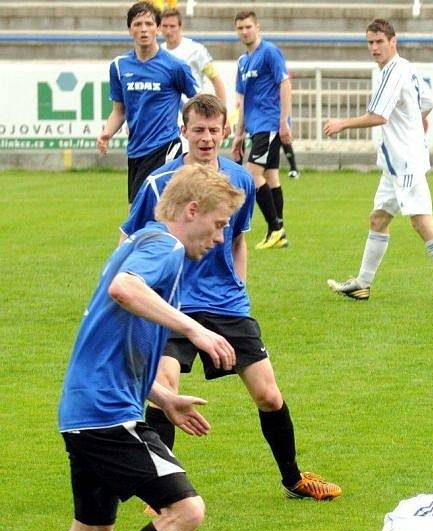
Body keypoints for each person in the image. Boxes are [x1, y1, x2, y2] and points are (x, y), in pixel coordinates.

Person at [5, 164, 244, 531]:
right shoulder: (166, 247)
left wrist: (164, 399)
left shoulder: (142, 243)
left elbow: (109, 344)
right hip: (107, 416)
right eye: (220, 224)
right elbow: (125, 292)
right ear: (192, 210)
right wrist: (196, 332)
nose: (222, 237)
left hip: (86, 411)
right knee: (186, 511)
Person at [121, 94, 341, 501]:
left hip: (226, 304)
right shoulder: (157, 183)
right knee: (166, 388)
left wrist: (240, 286)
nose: (206, 138)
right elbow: (128, 239)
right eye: (198, 130)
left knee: (269, 395)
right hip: (173, 306)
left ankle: (293, 478)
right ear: (183, 131)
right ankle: (162, 492)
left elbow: (237, 237)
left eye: (213, 130)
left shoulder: (239, 180)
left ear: (226, 132)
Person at [324, 19, 433, 303]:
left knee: (420, 221)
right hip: (396, 162)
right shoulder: (405, 68)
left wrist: (342, 123)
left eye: (380, 42)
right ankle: (362, 283)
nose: (375, 48)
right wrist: (413, 125)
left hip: (405, 160)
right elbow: (426, 103)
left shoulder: (393, 72)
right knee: (378, 219)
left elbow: (379, 115)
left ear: (394, 41)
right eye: (370, 42)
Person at [96, 2, 200, 204]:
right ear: (129, 29)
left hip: (165, 146)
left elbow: (197, 101)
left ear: (157, 28)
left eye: (148, 23)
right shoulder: (119, 66)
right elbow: (119, 111)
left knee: (145, 211)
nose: (143, 29)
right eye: (137, 24)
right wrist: (107, 132)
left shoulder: (175, 66)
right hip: (136, 150)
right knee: (140, 211)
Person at [232, 10, 293, 250]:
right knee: (270, 177)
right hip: (254, 127)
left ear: (258, 27)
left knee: (251, 174)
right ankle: (279, 233)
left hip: (269, 123)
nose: (245, 31)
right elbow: (243, 100)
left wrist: (283, 121)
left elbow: (284, 84)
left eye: (248, 27)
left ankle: (275, 228)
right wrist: (239, 134)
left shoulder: (269, 52)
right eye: (240, 28)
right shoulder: (242, 61)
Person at [160, 8, 226, 103]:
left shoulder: (196, 50)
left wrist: (223, 111)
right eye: (165, 26)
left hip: (194, 113)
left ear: (180, 27)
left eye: (172, 26)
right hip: (168, 115)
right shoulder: (159, 52)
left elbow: (215, 79)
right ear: (159, 27)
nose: (168, 31)